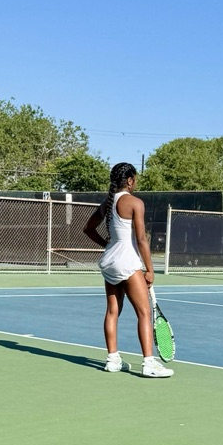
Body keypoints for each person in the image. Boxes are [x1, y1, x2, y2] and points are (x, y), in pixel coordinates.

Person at [84, 162, 173, 378]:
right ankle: (149, 363)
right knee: (144, 313)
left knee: (112, 311)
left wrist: (107, 244)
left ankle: (113, 360)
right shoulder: (135, 203)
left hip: (109, 261)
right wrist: (150, 270)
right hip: (127, 262)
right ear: (130, 180)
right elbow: (141, 239)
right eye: (136, 179)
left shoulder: (107, 203)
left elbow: (88, 228)